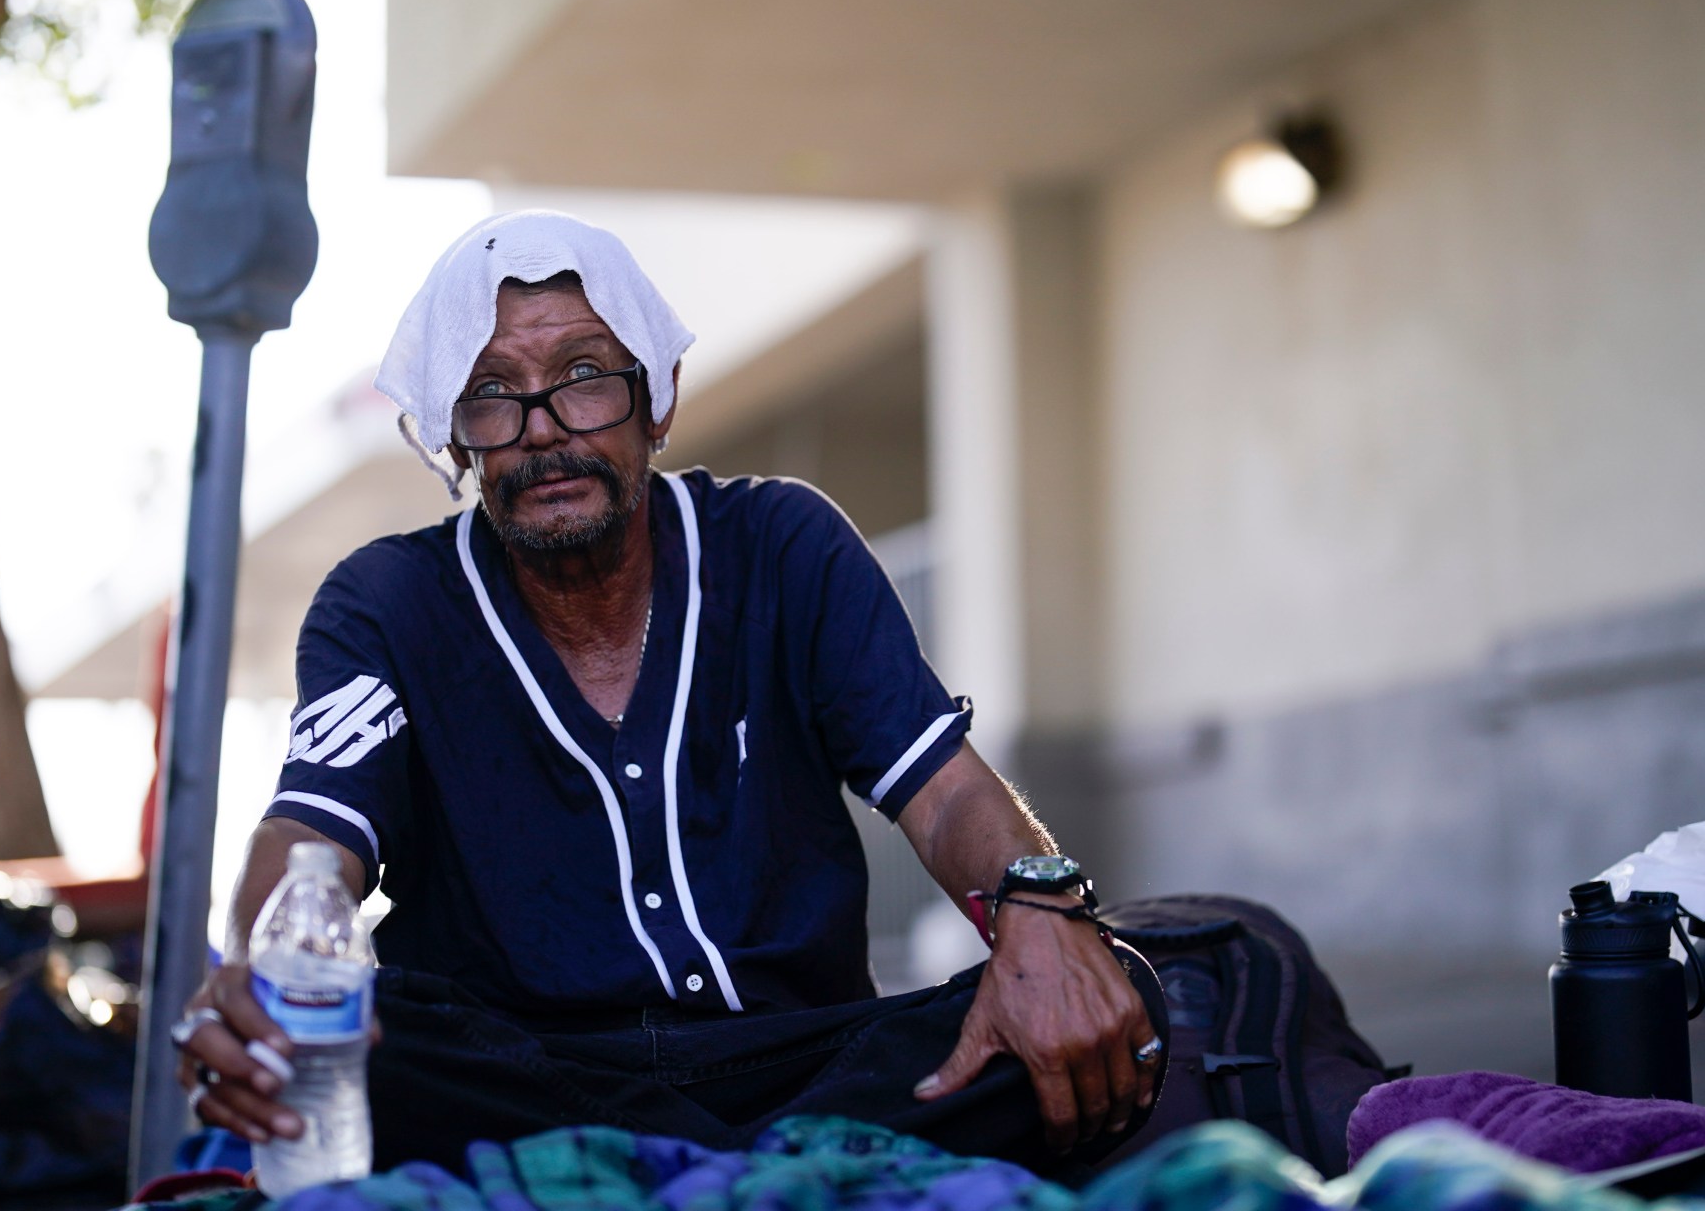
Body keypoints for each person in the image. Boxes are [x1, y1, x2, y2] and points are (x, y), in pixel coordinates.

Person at [170, 210, 1165, 1175]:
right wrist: (262, 972)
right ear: (456, 440)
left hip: (799, 1063)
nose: (545, 430)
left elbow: (944, 793)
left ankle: (643, 1174)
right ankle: (775, 1178)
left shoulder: (781, 545)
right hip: (522, 1080)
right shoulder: (387, 602)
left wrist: (1042, 914)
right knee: (381, 1045)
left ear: (658, 395)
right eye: (492, 393)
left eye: (585, 376)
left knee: (1127, 995)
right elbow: (310, 838)